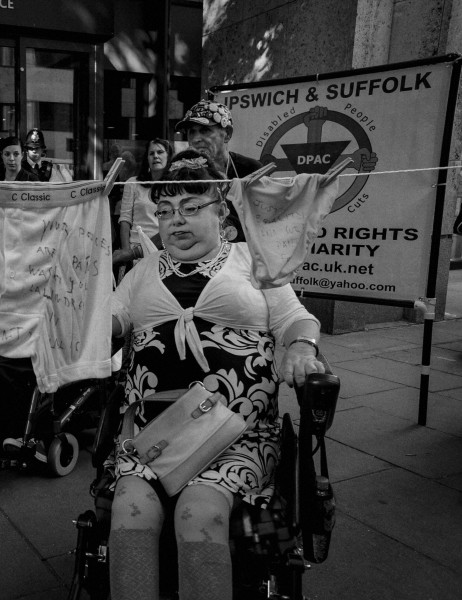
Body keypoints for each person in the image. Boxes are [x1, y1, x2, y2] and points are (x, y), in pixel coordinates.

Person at [107, 149, 324, 600]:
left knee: (199, 510)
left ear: (222, 210)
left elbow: (296, 319)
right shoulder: (142, 271)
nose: (175, 221)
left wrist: (302, 347)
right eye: (165, 211)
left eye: (190, 208)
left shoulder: (251, 260)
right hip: (156, 433)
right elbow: (108, 323)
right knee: (129, 511)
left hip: (235, 435)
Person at [175, 100, 263, 243]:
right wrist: (136, 252)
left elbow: (267, 222)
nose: (196, 139)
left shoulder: (251, 170)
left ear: (227, 134)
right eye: (191, 132)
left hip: (245, 257)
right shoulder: (184, 173)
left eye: (205, 130)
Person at [117, 138, 173, 254]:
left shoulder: (175, 186)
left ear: (168, 157)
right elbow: (125, 219)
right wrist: (127, 252)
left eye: (160, 152)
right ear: (147, 159)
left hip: (165, 249)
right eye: (151, 153)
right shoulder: (132, 183)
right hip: (135, 249)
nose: (155, 156)